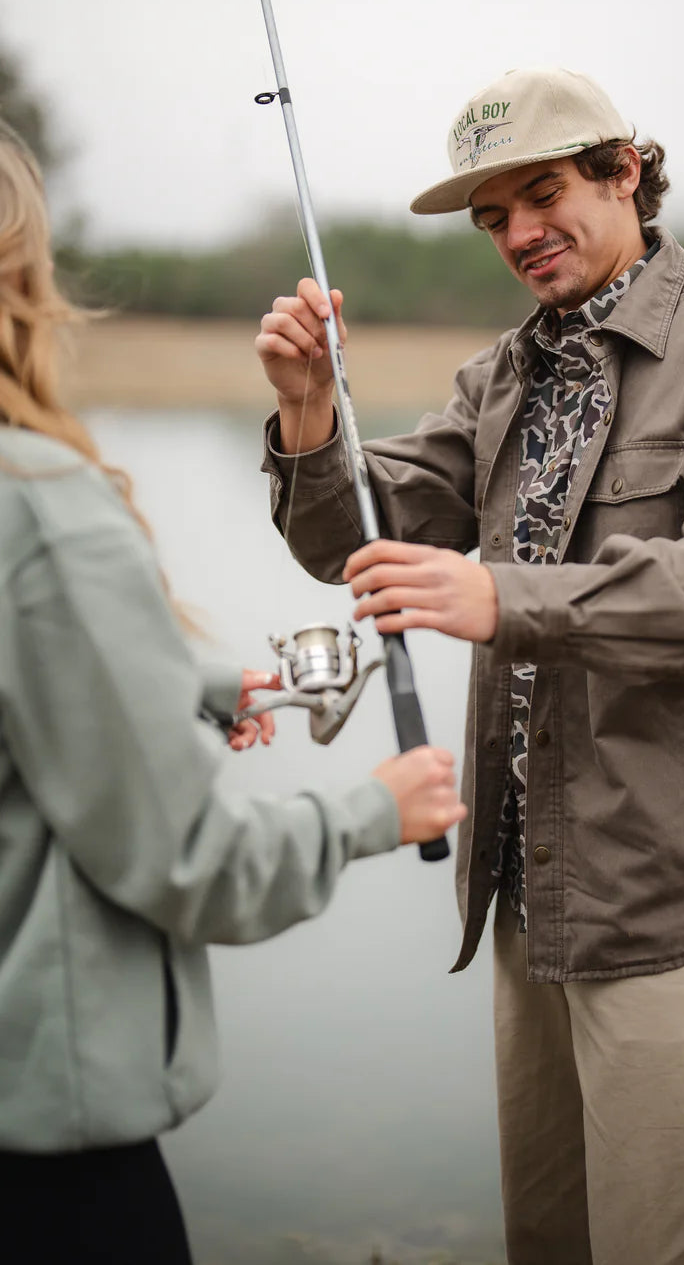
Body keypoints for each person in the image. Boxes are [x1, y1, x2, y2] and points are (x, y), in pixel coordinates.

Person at [255, 67, 684, 1265]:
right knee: (551, 1242)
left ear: (626, 170)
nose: (520, 234)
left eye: (545, 194)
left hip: (676, 884)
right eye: (494, 217)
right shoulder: (505, 376)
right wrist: (312, 413)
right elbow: (349, 537)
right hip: (530, 884)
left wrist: (503, 596)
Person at [0, 117, 466, 1265]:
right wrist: (374, 810)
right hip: (49, 1168)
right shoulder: (41, 503)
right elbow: (195, 865)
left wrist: (196, 684)